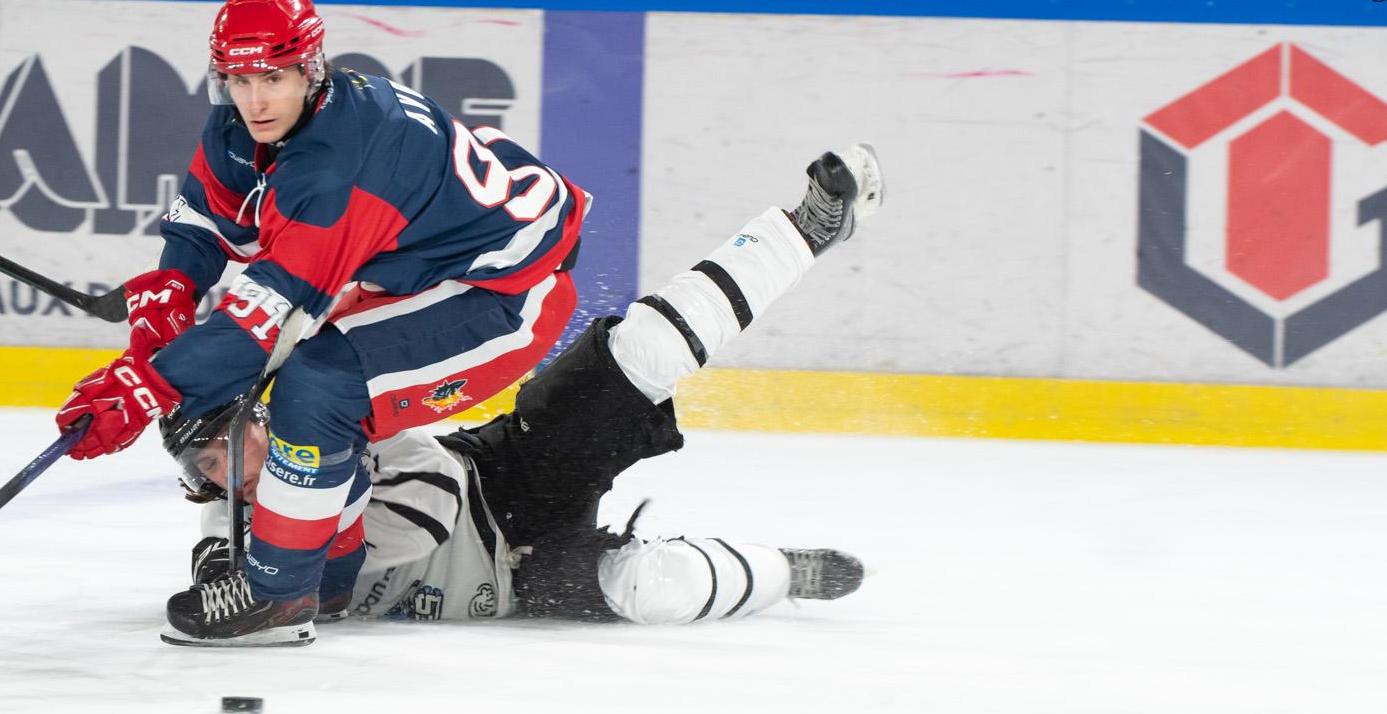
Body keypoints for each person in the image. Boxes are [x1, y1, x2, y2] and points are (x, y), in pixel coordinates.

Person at [162, 143, 883, 636]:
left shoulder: (329, 422)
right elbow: (223, 579)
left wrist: (331, 493)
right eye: (204, 466)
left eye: (225, 442)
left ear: (257, 414)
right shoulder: (231, 529)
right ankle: (785, 571)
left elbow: (436, 501)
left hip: (506, 473)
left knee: (640, 349)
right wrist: (234, 576)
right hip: (518, 584)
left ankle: (805, 229)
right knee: (644, 588)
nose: (223, 468)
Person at [55, 0, 589, 646]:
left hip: (506, 294)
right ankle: (331, 579)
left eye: (272, 76)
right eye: (238, 76)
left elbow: (266, 314)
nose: (255, 98)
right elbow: (199, 229)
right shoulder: (242, 128)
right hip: (414, 274)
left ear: (310, 68)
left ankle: (282, 594)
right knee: (304, 373)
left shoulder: (344, 159)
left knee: (322, 383)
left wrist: (144, 387)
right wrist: (167, 297)